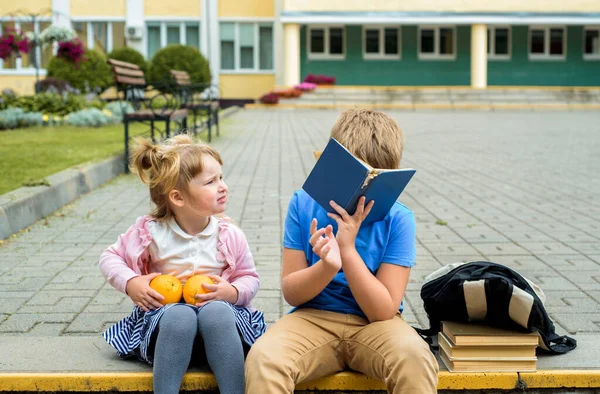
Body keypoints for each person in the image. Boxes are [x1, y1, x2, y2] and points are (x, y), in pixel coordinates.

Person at [245, 109, 438, 394]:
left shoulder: (399, 218)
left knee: (415, 357)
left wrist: (347, 251)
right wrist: (326, 267)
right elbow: (292, 293)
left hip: (375, 325)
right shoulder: (303, 204)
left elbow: (383, 311)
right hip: (312, 318)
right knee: (264, 358)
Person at [99, 134, 265, 394]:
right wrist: (131, 282)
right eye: (211, 182)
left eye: (221, 177)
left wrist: (232, 293)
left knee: (217, 311)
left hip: (222, 331)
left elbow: (249, 278)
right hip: (167, 331)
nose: (222, 186)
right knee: (180, 313)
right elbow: (110, 258)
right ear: (177, 197)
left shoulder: (228, 234)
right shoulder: (151, 233)